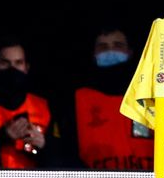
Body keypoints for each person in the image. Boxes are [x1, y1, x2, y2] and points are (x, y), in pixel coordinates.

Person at [52, 26, 156, 169]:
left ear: (130, 52)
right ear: (93, 54)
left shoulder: (153, 94)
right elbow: (64, 151)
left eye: (118, 45)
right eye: (103, 47)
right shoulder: (78, 99)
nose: (110, 51)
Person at [0, 38, 50, 168]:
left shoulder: (42, 106)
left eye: (18, 63)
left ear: (26, 67)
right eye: (5, 63)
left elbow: (62, 158)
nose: (12, 69)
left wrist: (44, 147)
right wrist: (1, 137)